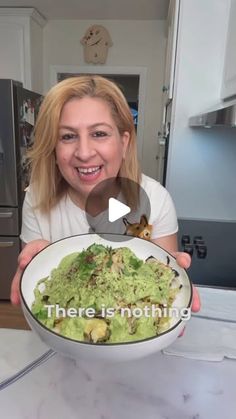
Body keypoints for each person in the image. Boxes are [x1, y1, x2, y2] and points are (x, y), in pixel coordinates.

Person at [11, 75, 200, 312]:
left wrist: (173, 288)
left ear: (124, 142)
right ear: (53, 148)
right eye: (68, 136)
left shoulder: (155, 199)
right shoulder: (38, 198)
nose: (84, 152)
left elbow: (166, 290)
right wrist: (29, 271)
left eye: (99, 133)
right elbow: (38, 301)